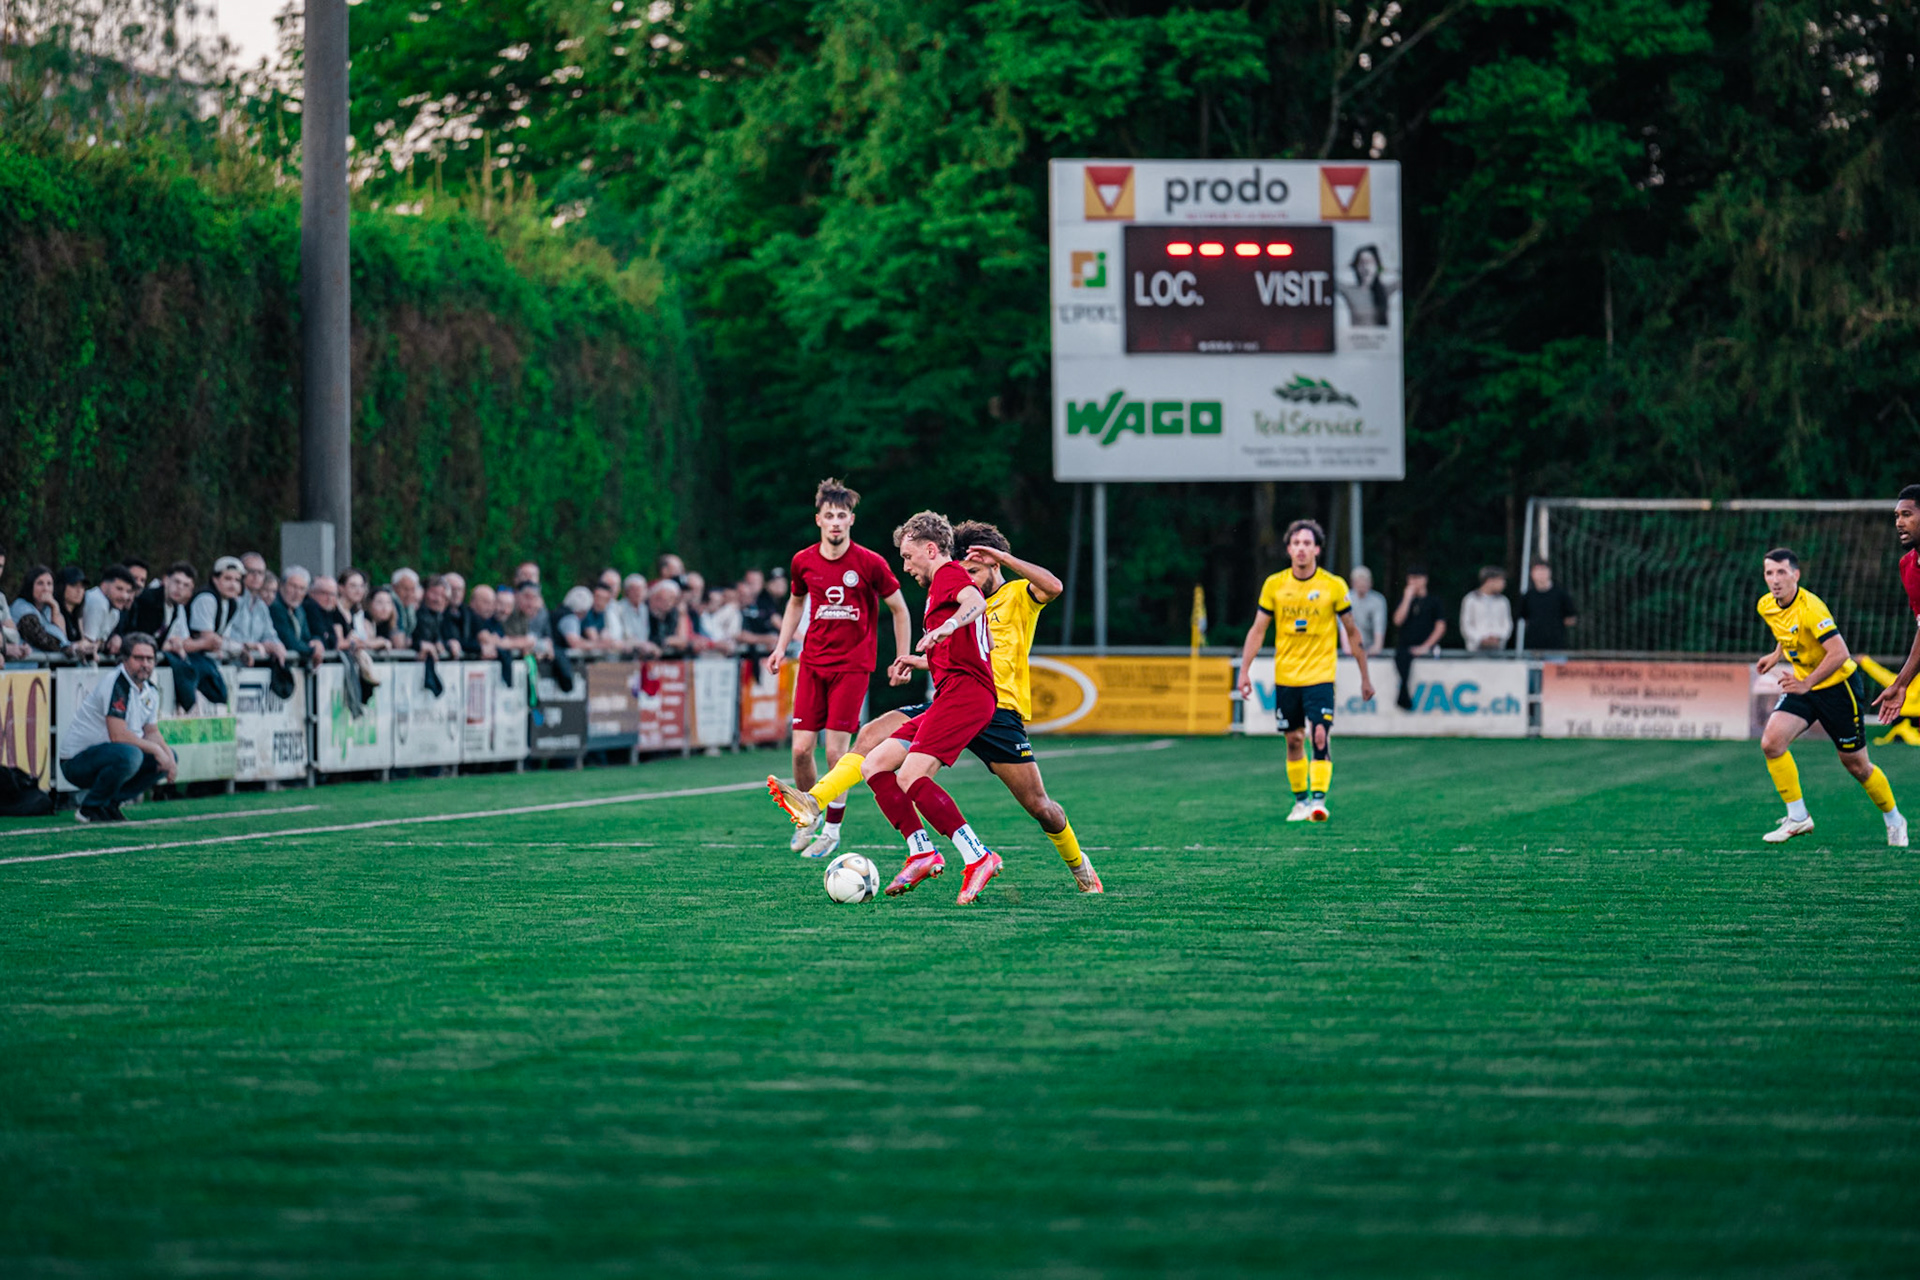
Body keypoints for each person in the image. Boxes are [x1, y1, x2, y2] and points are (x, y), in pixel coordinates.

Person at [772, 521, 1101, 892]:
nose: (968, 577)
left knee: (1040, 806)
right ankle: (823, 803)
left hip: (998, 711)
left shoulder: (1015, 595)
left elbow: (1053, 587)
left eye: (975, 570)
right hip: (955, 699)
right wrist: (921, 661)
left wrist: (1004, 558)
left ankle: (1079, 867)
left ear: (993, 566)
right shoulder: (952, 593)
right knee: (873, 740)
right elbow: (961, 655)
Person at [856, 511, 1004, 903]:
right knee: (873, 764)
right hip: (953, 690)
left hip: (968, 694)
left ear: (931, 549)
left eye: (907, 557)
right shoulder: (938, 587)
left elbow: (976, 603)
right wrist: (919, 659)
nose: (905, 567)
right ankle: (921, 851)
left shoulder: (950, 576)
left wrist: (949, 626)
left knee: (911, 775)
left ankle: (979, 856)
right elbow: (961, 652)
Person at [763, 478, 912, 860]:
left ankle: (832, 829)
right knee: (799, 751)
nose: (834, 522)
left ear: (851, 520)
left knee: (835, 754)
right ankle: (806, 815)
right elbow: (796, 603)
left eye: (841, 515)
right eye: (828, 515)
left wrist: (902, 656)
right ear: (818, 520)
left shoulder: (869, 563)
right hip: (812, 663)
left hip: (852, 666)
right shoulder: (803, 561)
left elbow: (899, 608)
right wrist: (782, 647)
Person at [1754, 547, 1905, 847]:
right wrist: (1776, 655)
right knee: (1772, 743)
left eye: (1781, 572)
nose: (1775, 579)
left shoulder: (1812, 608)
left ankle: (1894, 818)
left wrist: (1807, 682)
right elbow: (1787, 631)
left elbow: (1840, 653)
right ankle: (1798, 817)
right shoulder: (1766, 605)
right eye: (1769, 573)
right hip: (1805, 685)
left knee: (1856, 765)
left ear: (1796, 575)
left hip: (1838, 687)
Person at [1234, 519, 1375, 823]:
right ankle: (1300, 802)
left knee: (1320, 734)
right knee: (1294, 740)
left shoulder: (1333, 586)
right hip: (1286, 676)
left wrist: (1365, 675)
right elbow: (1258, 630)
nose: (1301, 548)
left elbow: (1351, 632)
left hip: (1321, 674)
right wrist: (1244, 670)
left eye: (1307, 543)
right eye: (1296, 543)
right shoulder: (1274, 585)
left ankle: (1319, 801)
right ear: (1288, 549)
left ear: (1317, 549)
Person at [57, 633, 176, 823]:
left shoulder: (150, 690)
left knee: (164, 757)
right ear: (125, 659)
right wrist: (155, 749)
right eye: (139, 658)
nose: (145, 664)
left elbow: (151, 731)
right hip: (76, 761)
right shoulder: (116, 683)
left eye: (150, 659)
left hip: (109, 755)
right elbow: (117, 735)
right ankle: (90, 808)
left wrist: (169, 757)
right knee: (131, 755)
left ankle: (110, 803)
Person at [1872, 485, 1920, 722]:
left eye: (1907, 515)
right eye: (1897, 516)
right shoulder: (1908, 567)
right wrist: (1901, 684)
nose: (1899, 523)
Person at [1392, 568, 1446, 709]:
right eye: (1411, 578)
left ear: (1425, 580)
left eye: (1418, 578)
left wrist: (1425, 647)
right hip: (1406, 646)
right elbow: (1398, 620)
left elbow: (1440, 626)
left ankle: (1404, 697)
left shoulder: (1434, 601)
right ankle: (1404, 695)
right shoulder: (1404, 601)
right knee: (1402, 658)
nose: (1414, 582)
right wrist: (1407, 598)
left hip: (1428, 646)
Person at [12, 564, 76, 656]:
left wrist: (55, 607)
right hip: (22, 668)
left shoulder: (47, 609)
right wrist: (71, 648)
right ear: (30, 586)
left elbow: (63, 636)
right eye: (40, 583)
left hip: (43, 667)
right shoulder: (21, 607)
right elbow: (44, 641)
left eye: (49, 584)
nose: (45, 589)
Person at [1517, 562, 1578, 652]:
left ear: (1550, 572)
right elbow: (1523, 617)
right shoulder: (1527, 596)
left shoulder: (1561, 595)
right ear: (1532, 574)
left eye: (1543, 570)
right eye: (1537, 570)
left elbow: (1571, 618)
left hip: (1556, 647)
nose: (1540, 573)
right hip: (1533, 647)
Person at [1335, 244, 1400, 327]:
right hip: (1356, 338)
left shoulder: (1385, 290)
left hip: (1382, 338)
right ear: (1356, 267)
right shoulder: (1350, 291)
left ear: (1377, 265)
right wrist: (1347, 266)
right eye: (1362, 263)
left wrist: (1387, 269)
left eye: (1370, 262)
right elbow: (1329, 279)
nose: (1366, 267)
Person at [271, 567, 326, 665]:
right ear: (282, 586)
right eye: (293, 586)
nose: (297, 593)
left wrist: (316, 641)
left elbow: (306, 637)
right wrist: (313, 650)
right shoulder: (275, 607)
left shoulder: (299, 610)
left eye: (302, 589)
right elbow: (289, 642)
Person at [80, 565, 138, 656]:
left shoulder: (115, 611)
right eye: (119, 589)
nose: (125, 596)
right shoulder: (97, 601)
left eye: (128, 591)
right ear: (104, 586)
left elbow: (100, 642)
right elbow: (89, 642)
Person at [1460, 567, 1513, 651]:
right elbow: (1466, 625)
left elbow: (1507, 625)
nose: (1503, 584)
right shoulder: (1471, 599)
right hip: (1475, 649)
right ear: (1489, 581)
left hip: (1497, 648)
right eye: (1500, 580)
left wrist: (1498, 637)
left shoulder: (1503, 601)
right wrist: (1480, 638)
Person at [1343, 564, 1388, 656]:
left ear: (1370, 583)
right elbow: (1343, 626)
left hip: (1370, 649)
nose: (1362, 584)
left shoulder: (1378, 601)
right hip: (1350, 649)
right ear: (1353, 583)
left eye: (1365, 581)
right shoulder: (1345, 599)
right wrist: (1347, 648)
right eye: (1358, 581)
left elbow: (1379, 626)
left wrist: (1376, 647)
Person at [54, 568, 88, 641]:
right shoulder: (53, 612)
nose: (79, 591)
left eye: (82, 586)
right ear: (62, 587)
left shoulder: (78, 615)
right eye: (74, 585)